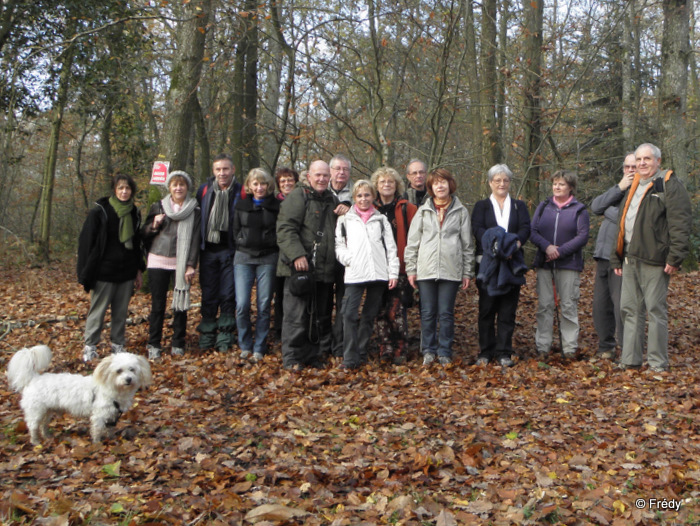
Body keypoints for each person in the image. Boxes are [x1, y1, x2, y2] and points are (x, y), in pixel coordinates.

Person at [611, 143, 692, 372]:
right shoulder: (632, 185)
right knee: (629, 309)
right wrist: (616, 257)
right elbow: (621, 224)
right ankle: (630, 360)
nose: (642, 163)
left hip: (655, 259)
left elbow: (680, 224)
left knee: (655, 310)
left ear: (658, 161)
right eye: (639, 159)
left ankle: (657, 363)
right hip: (629, 258)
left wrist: (675, 257)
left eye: (647, 159)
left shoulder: (669, 185)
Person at [404, 168, 475, 366]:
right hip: (426, 269)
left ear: (450, 185)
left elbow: (467, 244)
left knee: (446, 313)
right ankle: (428, 350)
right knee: (427, 312)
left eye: (443, 182)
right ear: (431, 187)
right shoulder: (423, 211)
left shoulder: (460, 211)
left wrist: (467, 271)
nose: (440, 186)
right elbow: (413, 242)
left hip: (451, 269)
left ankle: (444, 351)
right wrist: (411, 269)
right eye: (436, 183)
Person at [276, 160, 341, 370]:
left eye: (325, 175)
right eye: (318, 175)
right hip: (299, 269)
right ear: (309, 176)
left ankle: (312, 355)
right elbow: (285, 229)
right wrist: (297, 256)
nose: (322, 179)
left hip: (324, 270)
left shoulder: (332, 199)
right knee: (296, 314)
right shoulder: (298, 196)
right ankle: (292, 357)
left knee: (319, 314)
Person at [77, 174, 145, 362]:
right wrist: (84, 273)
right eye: (120, 188)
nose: (124, 192)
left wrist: (139, 270)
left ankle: (118, 346)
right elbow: (86, 243)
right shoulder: (100, 212)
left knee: (121, 312)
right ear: (114, 190)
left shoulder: (134, 212)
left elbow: (137, 243)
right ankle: (90, 347)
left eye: (128, 188)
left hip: (126, 271)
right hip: (103, 272)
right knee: (97, 311)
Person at [471, 164, 531, 367]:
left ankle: (504, 351)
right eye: (497, 180)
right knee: (486, 309)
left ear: (510, 182)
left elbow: (525, 228)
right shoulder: (482, 206)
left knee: (508, 310)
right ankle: (486, 351)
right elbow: (477, 229)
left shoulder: (518, 206)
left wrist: (515, 244)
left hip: (511, 262)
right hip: (488, 264)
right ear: (490, 183)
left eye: (505, 180)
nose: (502, 184)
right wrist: (493, 245)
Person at [335, 180, 399, 369]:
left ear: (373, 197)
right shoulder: (345, 220)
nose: (363, 199)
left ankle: (362, 353)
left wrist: (393, 272)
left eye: (367, 195)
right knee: (348, 314)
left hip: (378, 274)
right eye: (360, 196)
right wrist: (348, 259)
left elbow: (391, 248)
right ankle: (350, 357)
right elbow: (339, 245)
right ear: (354, 198)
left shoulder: (381, 220)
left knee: (369, 315)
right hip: (354, 273)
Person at [530, 170, 590, 359]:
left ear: (570, 187)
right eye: (555, 183)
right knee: (545, 305)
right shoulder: (543, 206)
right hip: (545, 263)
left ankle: (570, 348)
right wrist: (547, 247)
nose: (557, 187)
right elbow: (532, 231)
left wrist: (560, 251)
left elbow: (582, 236)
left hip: (569, 264)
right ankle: (543, 346)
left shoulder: (579, 209)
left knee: (569, 305)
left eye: (561, 184)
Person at [142, 171, 201, 359]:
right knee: (157, 305)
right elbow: (144, 233)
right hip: (157, 260)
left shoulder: (195, 210)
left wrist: (191, 264)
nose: (178, 188)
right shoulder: (158, 207)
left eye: (182, 185)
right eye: (175, 185)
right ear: (169, 187)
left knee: (180, 305)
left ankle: (178, 343)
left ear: (187, 188)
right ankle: (154, 344)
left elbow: (195, 239)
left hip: (181, 263)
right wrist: (154, 225)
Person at [590, 154, 636, 359]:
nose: (630, 170)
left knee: (621, 305)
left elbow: (627, 218)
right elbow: (595, 206)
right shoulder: (619, 190)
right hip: (603, 256)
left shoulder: (644, 191)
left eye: (634, 166)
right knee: (601, 305)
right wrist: (619, 188)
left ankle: (627, 350)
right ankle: (606, 347)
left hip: (623, 258)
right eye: (627, 166)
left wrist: (609, 212)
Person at [232, 168, 280, 362]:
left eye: (263, 184)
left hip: (267, 258)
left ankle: (259, 346)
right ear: (249, 186)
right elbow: (235, 229)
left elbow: (281, 230)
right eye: (255, 184)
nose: (259, 187)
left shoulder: (276, 206)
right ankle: (245, 344)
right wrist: (242, 241)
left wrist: (271, 243)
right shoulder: (241, 205)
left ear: (268, 186)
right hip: (243, 257)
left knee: (263, 304)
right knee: (242, 304)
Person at [195, 153, 242, 352]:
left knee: (228, 293)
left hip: (231, 251)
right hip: (208, 251)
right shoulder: (204, 191)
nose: (222, 173)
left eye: (225, 169)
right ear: (213, 171)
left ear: (233, 170)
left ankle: (225, 334)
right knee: (209, 292)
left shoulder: (242, 191)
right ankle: (207, 333)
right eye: (218, 170)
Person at [371, 167, 417, 364]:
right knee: (380, 310)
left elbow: (415, 238)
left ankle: (400, 347)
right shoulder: (370, 207)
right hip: (376, 267)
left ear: (396, 184)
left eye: (390, 182)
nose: (386, 185)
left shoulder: (407, 207)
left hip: (400, 267)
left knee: (396, 310)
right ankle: (385, 347)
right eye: (382, 182)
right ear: (376, 186)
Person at [327, 154, 353, 356]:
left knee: (344, 303)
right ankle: (323, 345)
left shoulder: (357, 194)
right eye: (337, 169)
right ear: (330, 171)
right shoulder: (320, 191)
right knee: (323, 303)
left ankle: (340, 346)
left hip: (348, 257)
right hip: (325, 255)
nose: (341, 172)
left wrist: (350, 210)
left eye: (345, 169)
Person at [273, 167, 300, 338]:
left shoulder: (301, 201)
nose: (286, 183)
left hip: (295, 252)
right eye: (283, 181)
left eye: (289, 179)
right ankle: (278, 329)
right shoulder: (274, 203)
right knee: (279, 293)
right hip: (276, 254)